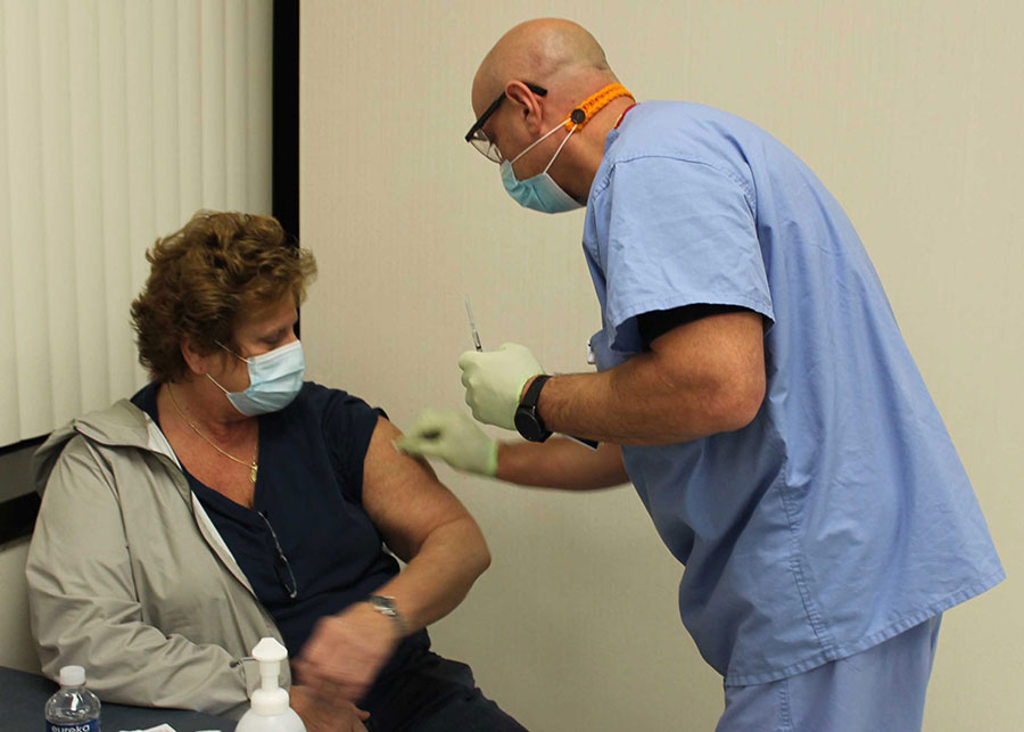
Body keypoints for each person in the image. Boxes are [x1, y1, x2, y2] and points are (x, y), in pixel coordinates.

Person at [396, 17, 1005, 731]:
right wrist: (493, 454)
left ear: (527, 103)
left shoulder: (652, 168)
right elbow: (655, 432)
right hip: (851, 569)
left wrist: (535, 397)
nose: (505, 165)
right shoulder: (692, 144)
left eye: (494, 140)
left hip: (816, 575)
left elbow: (714, 388)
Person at [26, 211, 526, 732]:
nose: (293, 352)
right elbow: (86, 640)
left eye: (293, 329)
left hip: (411, 700)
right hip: (247, 718)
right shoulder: (103, 465)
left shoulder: (334, 421)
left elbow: (458, 541)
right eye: (269, 341)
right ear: (196, 351)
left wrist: (381, 618)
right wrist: (266, 694)